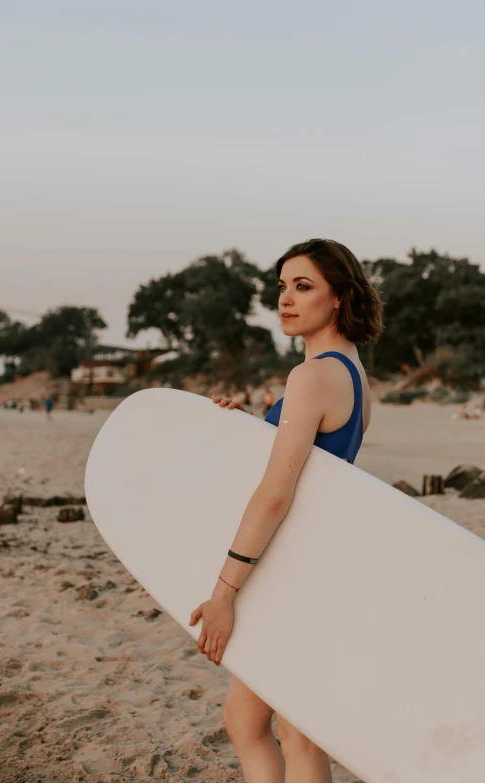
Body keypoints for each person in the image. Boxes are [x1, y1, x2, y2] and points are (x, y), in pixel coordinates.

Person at [189, 238, 384, 783]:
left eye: (304, 287)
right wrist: (252, 428)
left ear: (339, 299)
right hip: (309, 566)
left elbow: (277, 492)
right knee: (253, 723)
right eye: (282, 287)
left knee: (288, 735)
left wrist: (223, 593)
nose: (286, 300)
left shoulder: (311, 377)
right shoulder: (351, 374)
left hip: (285, 572)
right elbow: (317, 462)